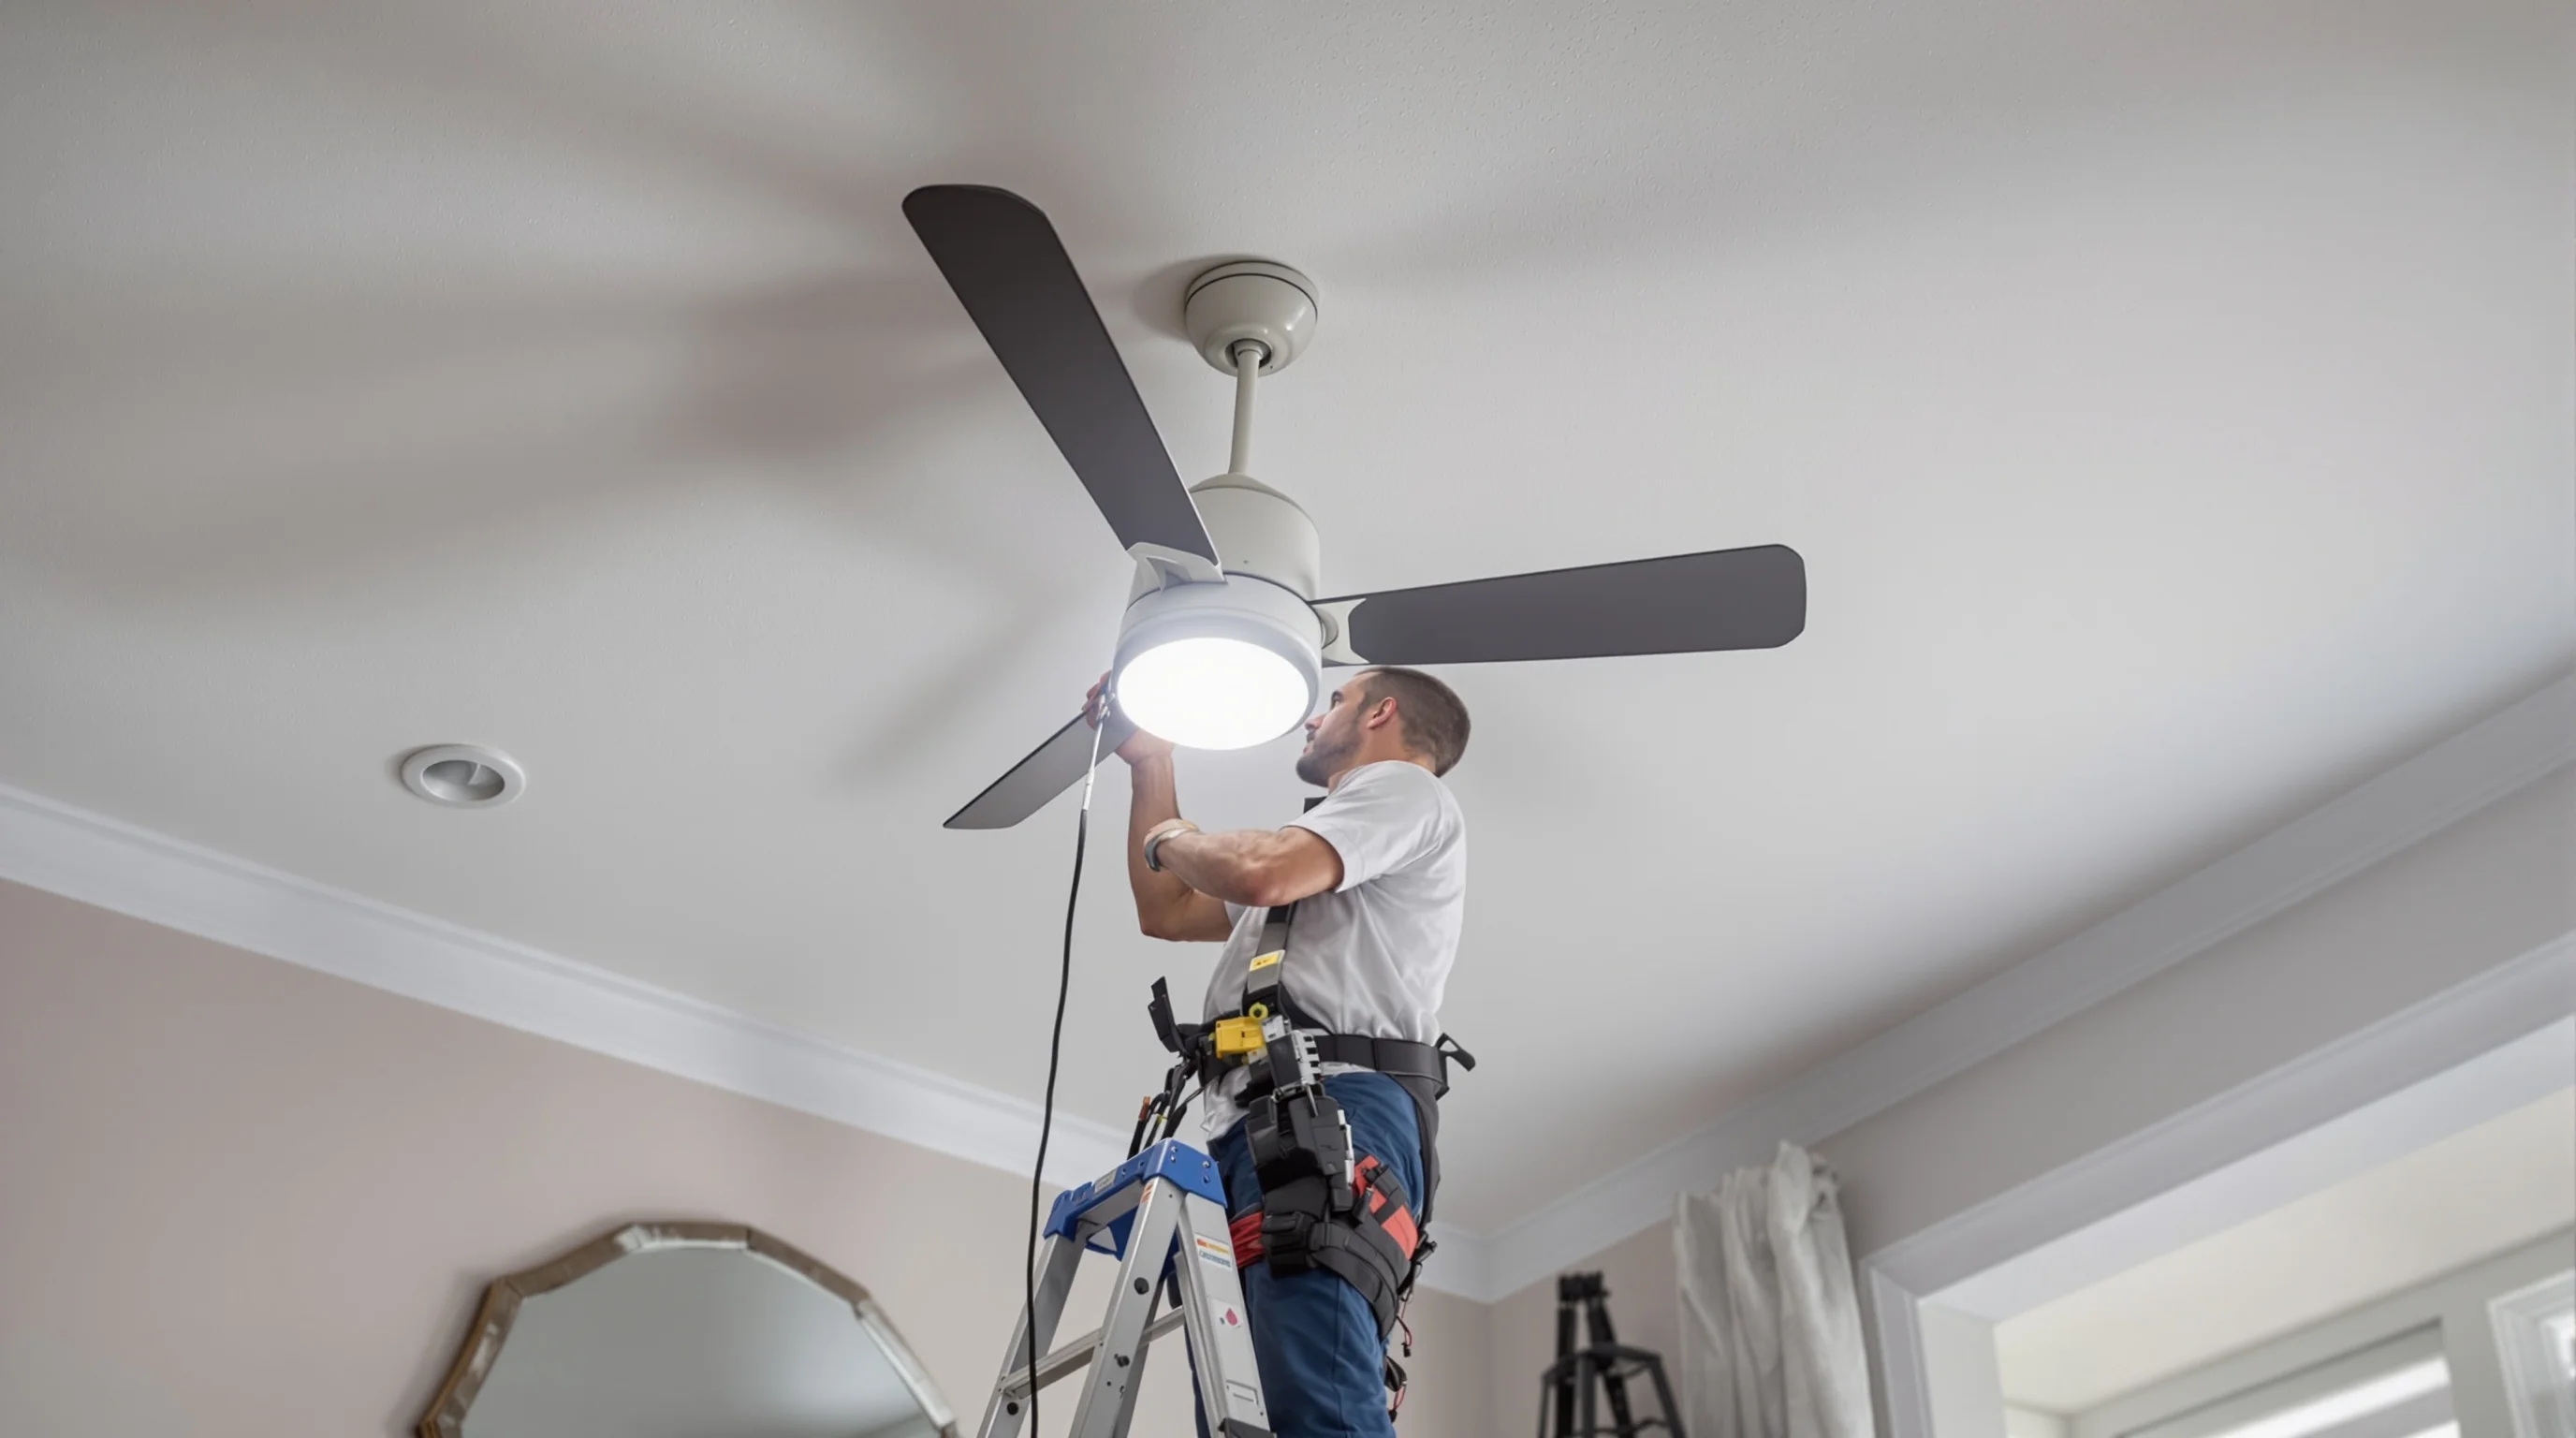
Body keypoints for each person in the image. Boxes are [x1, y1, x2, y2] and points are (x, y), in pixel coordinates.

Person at [1090, 665, 1471, 1438]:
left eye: (1335, 700)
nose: (1310, 719)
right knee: (1244, 1413)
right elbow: (1168, 907)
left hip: (1333, 1109)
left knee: (1309, 1400)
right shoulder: (1342, 849)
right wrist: (1152, 764)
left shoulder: (1404, 790)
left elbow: (1262, 871)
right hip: (1259, 1120)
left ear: (1382, 712)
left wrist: (1172, 835)